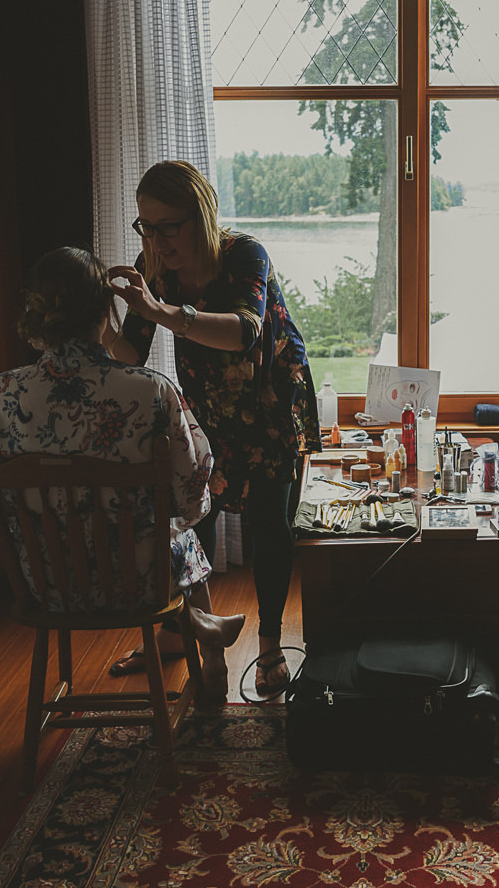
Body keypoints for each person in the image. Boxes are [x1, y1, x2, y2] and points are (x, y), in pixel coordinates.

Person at [0, 247, 245, 701]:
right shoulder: (149, 390)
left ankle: (199, 631)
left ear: (36, 319)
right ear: (104, 314)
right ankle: (206, 645)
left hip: (47, 585)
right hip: (139, 582)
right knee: (177, 535)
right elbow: (193, 494)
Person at [105, 160, 320, 700]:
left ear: (199, 215)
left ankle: (269, 645)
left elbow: (245, 332)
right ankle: (180, 632)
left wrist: (162, 310)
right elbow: (132, 353)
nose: (155, 239)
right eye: (145, 227)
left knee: (270, 525)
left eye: (166, 226)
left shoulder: (246, 254)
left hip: (270, 400)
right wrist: (103, 327)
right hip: (208, 409)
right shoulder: (152, 265)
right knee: (192, 523)